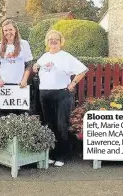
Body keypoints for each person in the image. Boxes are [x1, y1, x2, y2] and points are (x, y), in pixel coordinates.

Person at [33, 30, 88, 167]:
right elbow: (37, 67)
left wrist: (73, 83)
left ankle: (62, 155)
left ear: (60, 41)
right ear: (47, 41)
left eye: (56, 39)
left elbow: (83, 70)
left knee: (61, 125)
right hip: (45, 94)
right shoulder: (44, 56)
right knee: (49, 125)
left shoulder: (65, 57)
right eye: (50, 39)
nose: (53, 41)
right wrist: (35, 65)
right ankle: (52, 154)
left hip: (61, 94)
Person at [0, 19, 33, 88]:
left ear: (15, 30)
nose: (8, 32)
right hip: (4, 86)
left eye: (10, 29)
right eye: (5, 30)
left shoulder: (24, 44)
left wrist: (24, 80)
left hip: (19, 85)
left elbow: (28, 64)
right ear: (3, 32)